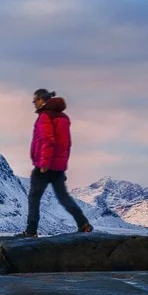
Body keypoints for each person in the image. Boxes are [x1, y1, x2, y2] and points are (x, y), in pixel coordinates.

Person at [24, 88, 93, 236]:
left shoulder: (45, 116)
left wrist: (44, 163)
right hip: (58, 167)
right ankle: (83, 224)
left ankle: (31, 232)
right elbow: (66, 144)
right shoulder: (63, 118)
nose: (34, 104)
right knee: (63, 197)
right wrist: (62, 165)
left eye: (35, 101)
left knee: (34, 197)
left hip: (45, 166)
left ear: (42, 100)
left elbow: (47, 140)